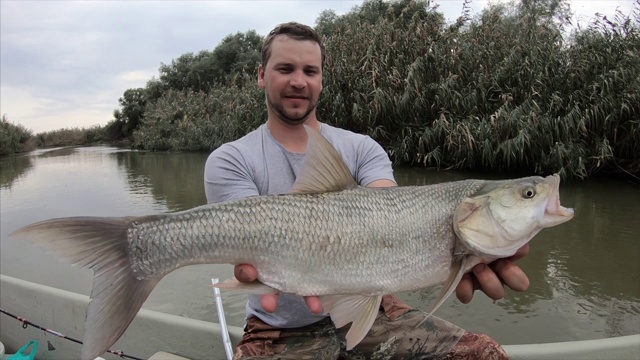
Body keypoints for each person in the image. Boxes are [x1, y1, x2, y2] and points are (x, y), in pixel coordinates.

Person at [204, 22, 530, 359]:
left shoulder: (362, 148)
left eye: (310, 71)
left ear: (321, 80)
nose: (298, 81)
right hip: (279, 326)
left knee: (485, 354)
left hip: (376, 307)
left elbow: (389, 209)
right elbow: (249, 243)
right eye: (285, 69)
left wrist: (463, 247)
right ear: (261, 74)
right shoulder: (230, 159)